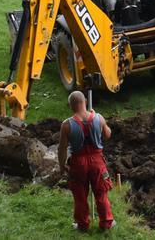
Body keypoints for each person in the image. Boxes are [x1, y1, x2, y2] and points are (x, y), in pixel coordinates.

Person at [58, 91, 115, 231]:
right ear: (85, 102)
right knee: (101, 192)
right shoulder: (98, 118)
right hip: (97, 161)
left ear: (71, 105)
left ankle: (82, 225)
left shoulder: (66, 125)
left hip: (78, 163)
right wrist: (100, 121)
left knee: (80, 195)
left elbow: (62, 148)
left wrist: (61, 167)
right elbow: (108, 135)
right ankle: (107, 223)